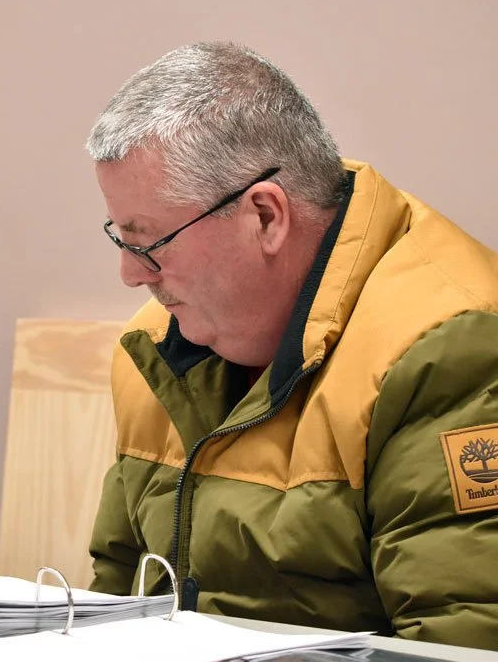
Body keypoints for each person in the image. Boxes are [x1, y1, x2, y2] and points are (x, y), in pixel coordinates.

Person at [85, 42, 498, 648]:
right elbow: (112, 602)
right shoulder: (151, 349)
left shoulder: (448, 350)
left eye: (148, 242)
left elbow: (461, 644)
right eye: (119, 238)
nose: (131, 274)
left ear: (265, 217)